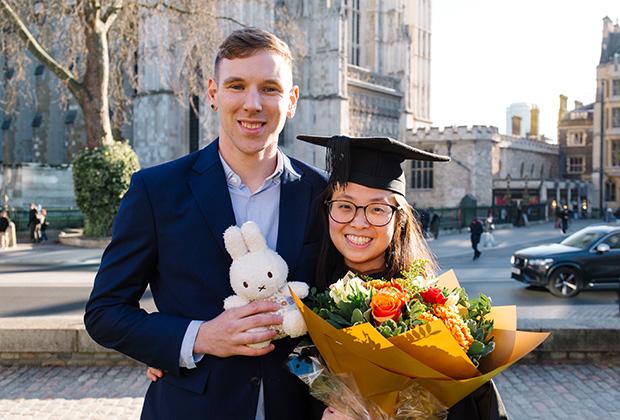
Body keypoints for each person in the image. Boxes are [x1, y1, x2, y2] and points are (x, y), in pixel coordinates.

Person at [84, 28, 327, 420]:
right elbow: (105, 312)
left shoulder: (324, 193)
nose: (252, 104)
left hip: (302, 407)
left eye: (269, 88)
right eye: (236, 86)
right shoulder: (156, 190)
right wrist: (194, 338)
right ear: (213, 94)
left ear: (292, 100)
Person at [297, 135, 505, 420]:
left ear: (400, 219)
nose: (359, 222)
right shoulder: (304, 300)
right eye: (344, 205)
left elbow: (471, 409)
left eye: (378, 209)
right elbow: (293, 386)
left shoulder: (433, 311)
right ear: (327, 210)